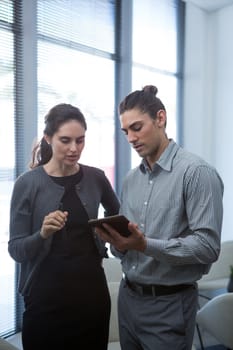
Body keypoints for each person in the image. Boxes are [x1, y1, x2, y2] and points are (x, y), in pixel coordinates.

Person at [95, 85, 224, 350]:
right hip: (128, 300)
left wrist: (145, 245)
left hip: (170, 306)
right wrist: (118, 244)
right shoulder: (130, 180)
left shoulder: (197, 172)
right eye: (125, 131)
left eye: (137, 127)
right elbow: (129, 247)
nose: (130, 137)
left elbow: (208, 247)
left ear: (161, 119)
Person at [8, 103, 120, 350]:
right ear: (48, 138)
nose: (74, 149)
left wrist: (105, 237)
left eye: (80, 141)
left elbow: (117, 214)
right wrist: (43, 233)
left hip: (91, 296)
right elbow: (16, 249)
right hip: (44, 299)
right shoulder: (27, 184)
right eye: (65, 140)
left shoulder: (96, 177)